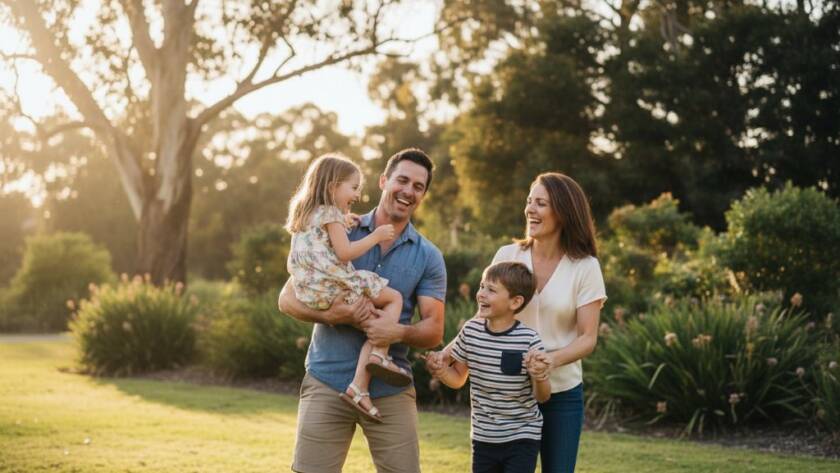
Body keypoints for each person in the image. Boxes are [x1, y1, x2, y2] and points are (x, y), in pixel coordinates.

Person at [278, 148, 447, 473]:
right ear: (384, 181)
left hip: (390, 389)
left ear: (423, 195)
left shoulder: (429, 257)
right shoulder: (338, 226)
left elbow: (434, 330)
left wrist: (395, 331)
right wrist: (333, 315)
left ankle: (372, 368)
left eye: (418, 186)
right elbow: (287, 298)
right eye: (402, 180)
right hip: (326, 380)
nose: (408, 191)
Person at [430, 172, 606, 473]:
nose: (529, 210)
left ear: (562, 212)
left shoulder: (585, 267)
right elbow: (483, 315)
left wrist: (550, 361)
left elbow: (588, 337)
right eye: (529, 201)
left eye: (540, 203)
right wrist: (450, 353)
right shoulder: (508, 254)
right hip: (507, 399)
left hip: (561, 394)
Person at [284, 155, 412, 423]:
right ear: (333, 186)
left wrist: (345, 221)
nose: (358, 193)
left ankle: (359, 388)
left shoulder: (306, 214)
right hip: (336, 285)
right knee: (393, 301)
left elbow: (324, 241)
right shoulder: (331, 213)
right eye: (353, 187)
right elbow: (344, 252)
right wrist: (375, 236)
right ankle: (375, 360)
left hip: (313, 292)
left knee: (374, 323)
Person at [426, 261, 551, 473]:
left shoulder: (529, 340)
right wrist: (441, 371)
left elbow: (542, 397)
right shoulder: (470, 332)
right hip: (483, 438)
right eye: (481, 286)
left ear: (515, 302)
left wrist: (539, 376)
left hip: (522, 436)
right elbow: (458, 378)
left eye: (491, 290)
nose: (481, 294)